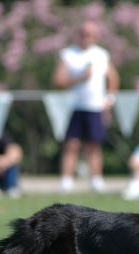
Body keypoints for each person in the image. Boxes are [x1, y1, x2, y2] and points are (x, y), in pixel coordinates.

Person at [52, 20, 119, 193]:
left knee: (93, 145)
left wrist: (109, 99)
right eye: (82, 33)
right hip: (74, 106)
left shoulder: (102, 55)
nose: (85, 37)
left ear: (95, 37)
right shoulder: (68, 54)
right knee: (72, 144)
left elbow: (113, 79)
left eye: (89, 34)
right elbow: (58, 81)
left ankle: (96, 179)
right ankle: (66, 180)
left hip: (95, 106)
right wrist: (80, 77)